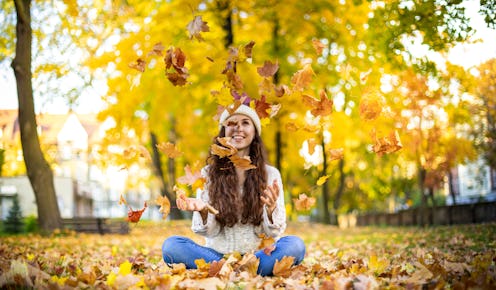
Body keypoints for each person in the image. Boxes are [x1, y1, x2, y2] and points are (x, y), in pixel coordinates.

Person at [162, 104, 306, 276]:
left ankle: (234, 272)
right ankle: (237, 272)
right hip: (216, 256)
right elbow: (209, 232)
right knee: (171, 246)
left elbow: (274, 232)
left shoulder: (271, 174)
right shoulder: (208, 173)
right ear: (223, 132)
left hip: (259, 256)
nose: (238, 128)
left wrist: (271, 209)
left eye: (246, 123)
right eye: (232, 123)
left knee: (296, 245)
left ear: (254, 132)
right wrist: (203, 211)